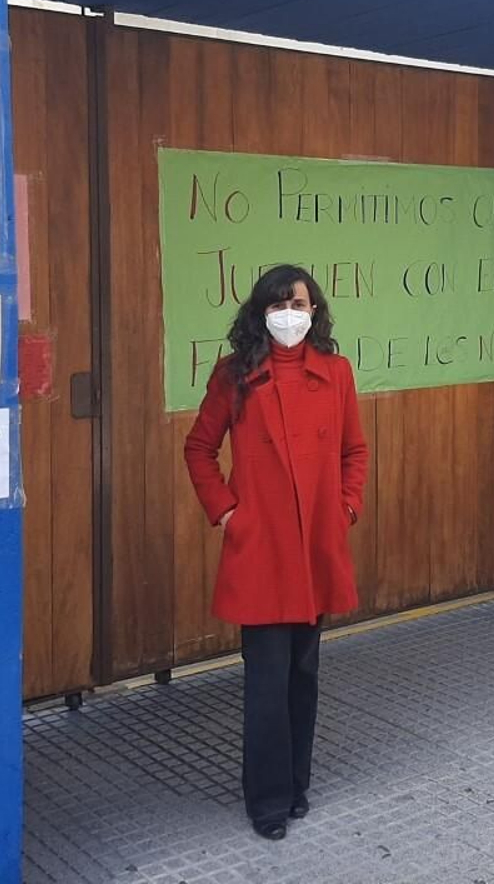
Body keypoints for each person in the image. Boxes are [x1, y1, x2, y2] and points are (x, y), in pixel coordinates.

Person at [183, 265, 369, 842]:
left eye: (303, 305)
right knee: (266, 679)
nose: (293, 314)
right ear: (261, 311)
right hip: (262, 550)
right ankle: (266, 800)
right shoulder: (234, 375)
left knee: (304, 672)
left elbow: (354, 451)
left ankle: (297, 785)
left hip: (315, 545)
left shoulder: (335, 373)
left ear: (315, 314)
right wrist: (230, 512)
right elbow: (199, 449)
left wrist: (343, 511)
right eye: (282, 304)